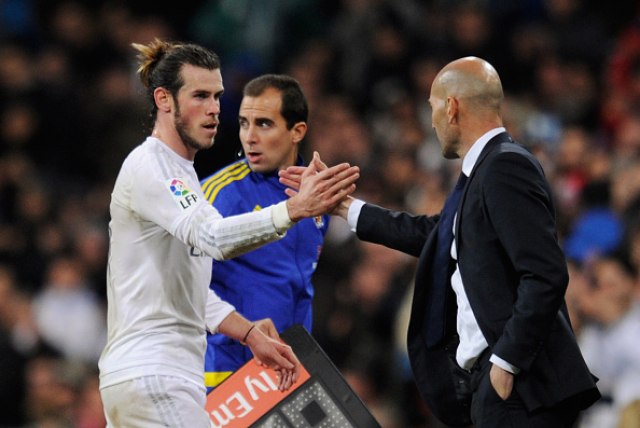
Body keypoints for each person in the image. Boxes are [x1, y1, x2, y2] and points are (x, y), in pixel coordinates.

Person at [280, 56, 600, 427]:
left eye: (432, 108)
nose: (431, 121)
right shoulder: (484, 171)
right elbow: (434, 234)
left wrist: (506, 362)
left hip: (518, 389)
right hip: (496, 386)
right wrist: (345, 206)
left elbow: (545, 274)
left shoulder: (505, 166)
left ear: (451, 107)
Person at [98, 39, 359, 428]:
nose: (214, 109)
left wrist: (249, 332)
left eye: (217, 96)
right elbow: (214, 238)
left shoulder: (181, 175)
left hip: (152, 377)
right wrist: (293, 209)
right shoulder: (153, 166)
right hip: (156, 374)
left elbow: (188, 288)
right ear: (164, 99)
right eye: (200, 96)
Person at [199, 74, 328, 390]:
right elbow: (178, 287)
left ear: (297, 131)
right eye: (244, 124)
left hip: (291, 372)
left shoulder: (317, 197)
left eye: (264, 124)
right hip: (226, 373)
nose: (249, 137)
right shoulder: (216, 196)